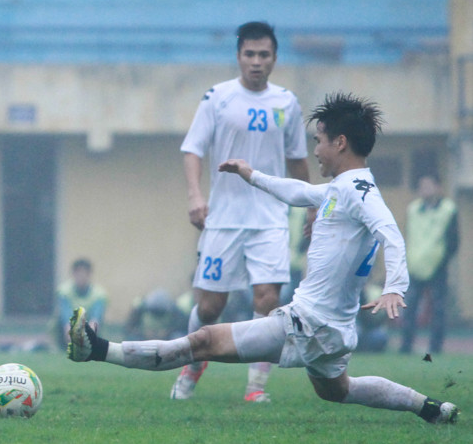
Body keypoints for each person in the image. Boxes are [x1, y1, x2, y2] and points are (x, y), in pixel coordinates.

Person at [67, 92, 458, 425]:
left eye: (319, 140)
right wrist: (251, 174)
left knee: (202, 340)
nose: (315, 149)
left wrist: (395, 287)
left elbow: (390, 232)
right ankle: (430, 409)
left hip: (308, 323)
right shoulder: (344, 188)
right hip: (333, 329)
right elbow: (298, 191)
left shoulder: (358, 191)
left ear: (340, 142)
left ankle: (97, 349)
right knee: (339, 391)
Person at [177, 21, 311, 403]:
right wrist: (194, 196)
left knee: (268, 299)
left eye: (264, 55)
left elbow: (297, 160)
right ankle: (192, 366)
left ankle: (255, 387)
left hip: (270, 219)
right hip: (224, 218)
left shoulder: (286, 102)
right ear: (238, 57)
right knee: (210, 305)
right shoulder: (217, 97)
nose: (256, 62)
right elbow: (193, 149)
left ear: (274, 58)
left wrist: (312, 207)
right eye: (249, 54)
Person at [400, 174, 459, 355]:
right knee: (409, 308)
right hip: (414, 267)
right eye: (421, 186)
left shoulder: (448, 209)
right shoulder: (413, 209)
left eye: (428, 185)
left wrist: (440, 261)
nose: (424, 189)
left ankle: (435, 348)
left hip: (437, 268)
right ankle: (406, 347)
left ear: (438, 187)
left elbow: (453, 241)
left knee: (438, 310)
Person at [53, 258, 108, 349]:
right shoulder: (64, 292)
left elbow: (96, 319)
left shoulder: (99, 295)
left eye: (84, 273)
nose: (81, 276)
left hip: (90, 334)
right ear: (73, 274)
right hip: (67, 333)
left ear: (89, 274)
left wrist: (88, 339)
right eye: (78, 273)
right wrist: (72, 337)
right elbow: (66, 318)